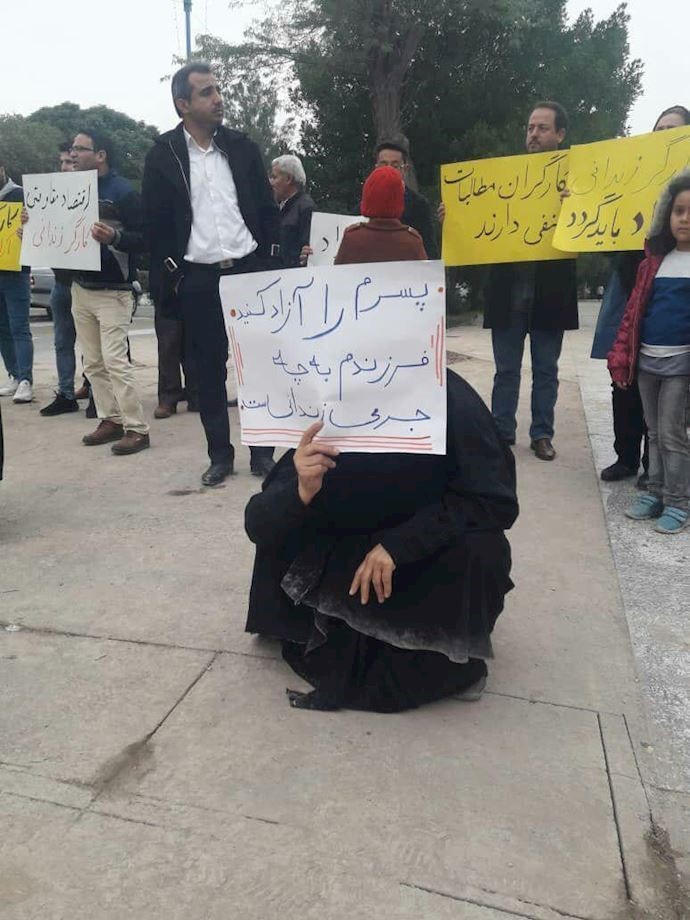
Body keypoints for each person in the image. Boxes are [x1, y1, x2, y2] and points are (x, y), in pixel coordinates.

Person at [244, 166, 518, 712]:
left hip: (419, 558)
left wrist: (399, 545)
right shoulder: (319, 395)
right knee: (286, 533)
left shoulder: (452, 398)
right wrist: (298, 487)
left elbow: (493, 502)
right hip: (342, 552)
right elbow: (258, 524)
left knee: (483, 551)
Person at [142, 61, 280, 486]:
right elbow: (156, 226)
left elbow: (266, 208)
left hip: (249, 271)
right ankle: (220, 455)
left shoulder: (240, 147)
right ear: (183, 104)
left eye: (218, 89)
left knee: (259, 366)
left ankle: (262, 452)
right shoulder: (163, 155)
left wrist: (272, 260)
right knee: (208, 372)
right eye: (206, 92)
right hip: (199, 278)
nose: (218, 98)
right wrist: (175, 274)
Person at [593, 105, 690, 485]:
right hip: (629, 278)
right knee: (623, 371)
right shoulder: (629, 174)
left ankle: (658, 465)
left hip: (670, 287)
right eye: (658, 129)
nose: (663, 135)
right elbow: (600, 236)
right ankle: (625, 456)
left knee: (666, 383)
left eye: (673, 130)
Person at [483, 102, 578, 461]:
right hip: (508, 292)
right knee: (505, 371)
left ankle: (541, 434)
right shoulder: (502, 176)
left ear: (560, 134)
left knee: (545, 371)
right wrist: (457, 218)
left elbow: (590, 228)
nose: (533, 134)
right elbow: (478, 225)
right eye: (529, 127)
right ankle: (501, 431)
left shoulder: (575, 180)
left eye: (541, 128)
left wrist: (576, 203)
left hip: (549, 293)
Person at [608, 170, 690, 534]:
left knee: (672, 434)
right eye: (678, 211)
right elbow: (632, 315)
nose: (685, 218)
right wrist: (623, 355)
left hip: (680, 367)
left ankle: (678, 500)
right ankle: (654, 491)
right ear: (666, 216)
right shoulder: (652, 263)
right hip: (647, 362)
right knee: (653, 432)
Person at [69, 129, 150, 454]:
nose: (73, 153)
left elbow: (145, 239)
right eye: (72, 148)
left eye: (80, 148)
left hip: (113, 289)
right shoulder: (69, 190)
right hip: (80, 287)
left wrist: (114, 239)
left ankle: (137, 429)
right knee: (93, 362)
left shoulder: (123, 192)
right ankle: (111, 419)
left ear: (100, 155)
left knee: (116, 361)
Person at [39, 143, 81, 417]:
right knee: (62, 342)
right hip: (62, 283)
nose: (65, 167)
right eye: (62, 162)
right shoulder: (50, 198)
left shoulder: (94, 197)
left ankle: (96, 392)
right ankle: (66, 394)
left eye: (71, 162)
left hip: (89, 285)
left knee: (95, 346)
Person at [0, 163, 33, 404]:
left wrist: (27, 224)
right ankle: (13, 374)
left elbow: (39, 230)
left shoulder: (21, 194)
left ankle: (25, 380)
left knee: (19, 327)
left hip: (16, 270)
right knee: (2, 329)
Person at [374, 140, 438, 258]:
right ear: (376, 169)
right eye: (383, 165)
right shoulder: (362, 208)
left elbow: (430, 253)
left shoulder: (420, 206)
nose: (389, 170)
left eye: (395, 166)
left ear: (404, 169)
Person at [270, 154, 316, 268]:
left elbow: (310, 252)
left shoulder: (306, 208)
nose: (271, 182)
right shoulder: (278, 207)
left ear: (288, 179)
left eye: (274, 177)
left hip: (293, 280)